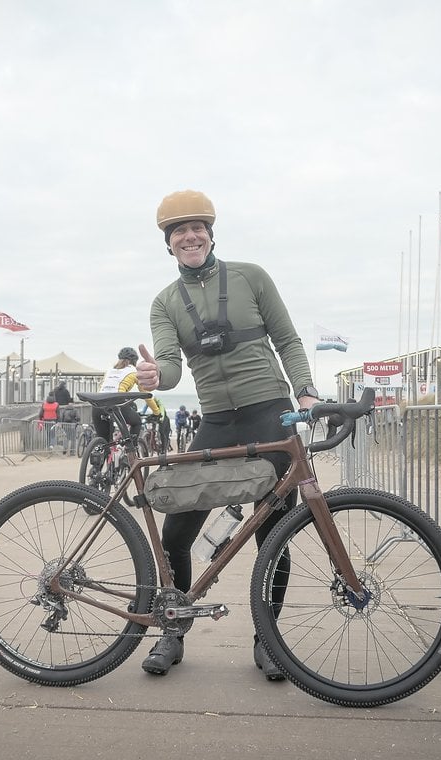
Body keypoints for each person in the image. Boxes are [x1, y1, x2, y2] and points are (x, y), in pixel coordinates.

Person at [135, 189, 320, 680]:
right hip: (215, 421)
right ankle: (172, 632)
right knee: (177, 529)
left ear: (211, 234)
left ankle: (269, 642)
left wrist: (304, 391)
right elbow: (171, 368)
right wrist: (156, 377)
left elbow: (287, 339)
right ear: (169, 244)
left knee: (272, 534)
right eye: (179, 232)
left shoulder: (250, 277)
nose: (189, 236)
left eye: (197, 228)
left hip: (269, 412)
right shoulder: (165, 303)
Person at [94, 347, 160, 443]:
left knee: (104, 443)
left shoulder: (109, 370)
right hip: (116, 403)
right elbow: (146, 394)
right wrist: (157, 412)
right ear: (134, 361)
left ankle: (102, 455)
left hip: (97, 404)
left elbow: (102, 387)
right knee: (137, 422)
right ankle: (130, 452)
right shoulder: (134, 371)